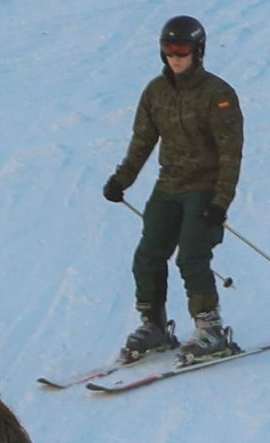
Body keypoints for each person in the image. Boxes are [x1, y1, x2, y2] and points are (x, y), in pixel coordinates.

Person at [102, 15, 244, 366]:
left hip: (204, 187)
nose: (175, 58)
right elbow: (142, 142)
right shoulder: (156, 92)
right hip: (169, 185)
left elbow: (231, 154)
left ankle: (210, 329)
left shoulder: (218, 94)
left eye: (182, 50)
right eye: (169, 51)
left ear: (198, 51)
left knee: (191, 256)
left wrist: (220, 201)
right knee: (148, 256)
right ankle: (154, 326)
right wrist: (122, 179)